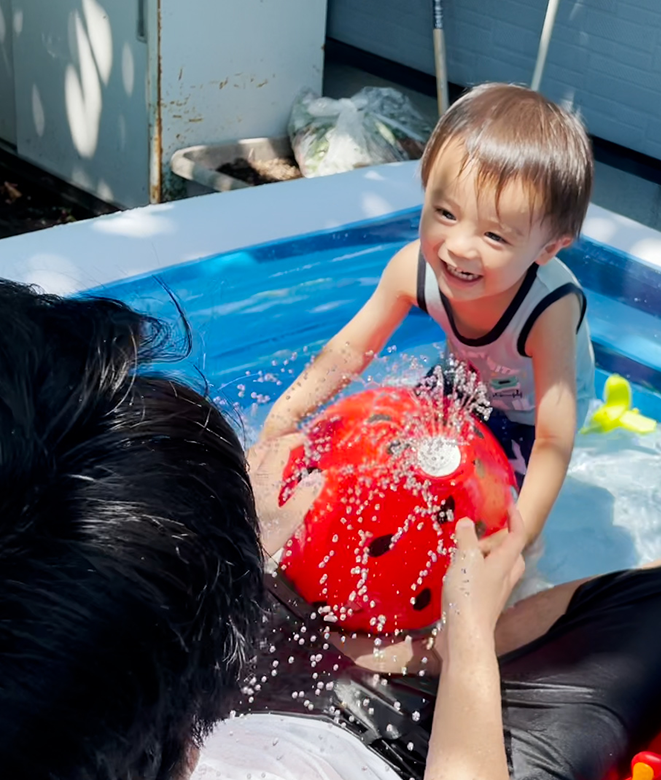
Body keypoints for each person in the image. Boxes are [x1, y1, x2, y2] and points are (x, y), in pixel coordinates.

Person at [0, 277, 661, 780]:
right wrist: (470, 636)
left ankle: (408, 646)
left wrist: (222, 560)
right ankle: (430, 649)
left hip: (249, 705)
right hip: (412, 749)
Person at [254, 82, 597, 556]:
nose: (458, 245)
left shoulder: (548, 310)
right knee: (398, 460)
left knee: (496, 522)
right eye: (445, 212)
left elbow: (554, 437)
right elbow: (350, 350)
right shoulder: (412, 269)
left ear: (547, 249)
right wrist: (289, 411)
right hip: (463, 379)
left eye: (495, 236)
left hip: (530, 417)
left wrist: (521, 539)